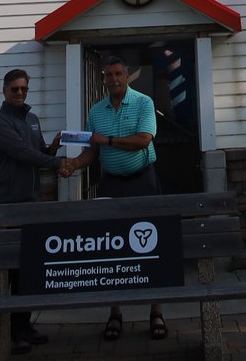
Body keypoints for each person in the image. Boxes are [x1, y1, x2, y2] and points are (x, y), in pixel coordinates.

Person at [70, 56, 166, 342]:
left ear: (127, 76)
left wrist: (108, 140)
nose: (113, 79)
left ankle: (156, 312)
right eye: (108, 75)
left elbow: (144, 139)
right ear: (103, 79)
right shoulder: (95, 111)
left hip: (143, 180)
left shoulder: (143, 103)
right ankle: (115, 312)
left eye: (117, 74)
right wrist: (73, 165)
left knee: (152, 246)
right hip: (111, 182)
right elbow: (91, 152)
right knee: (110, 248)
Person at [0, 67, 73, 354]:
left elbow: (39, 153)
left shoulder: (32, 120)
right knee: (11, 271)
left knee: (28, 270)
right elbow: (23, 155)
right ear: (4, 91)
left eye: (24, 89)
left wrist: (54, 148)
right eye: (15, 89)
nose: (20, 93)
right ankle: (10, 332)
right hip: (7, 205)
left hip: (30, 203)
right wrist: (58, 163)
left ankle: (23, 326)